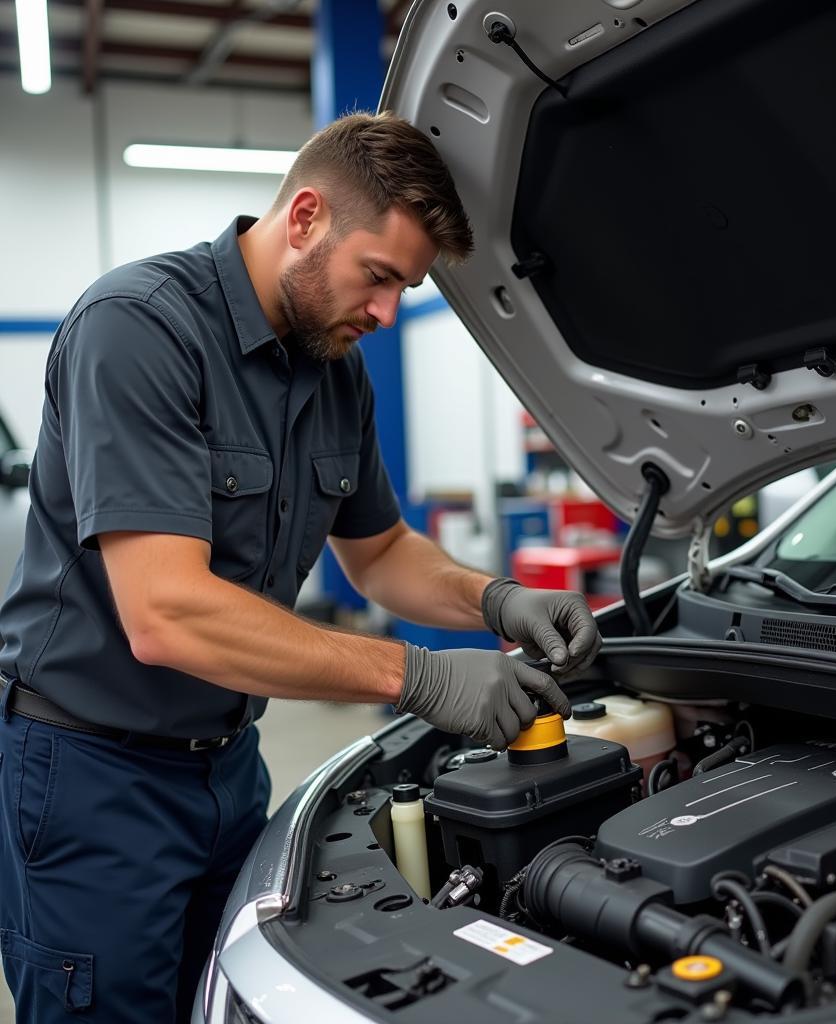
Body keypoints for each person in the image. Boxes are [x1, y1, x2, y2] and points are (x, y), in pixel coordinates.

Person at [0, 111, 600, 1023]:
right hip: (92, 777)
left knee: (226, 1003)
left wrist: (498, 598)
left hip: (229, 772)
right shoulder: (139, 331)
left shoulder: (336, 371)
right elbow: (165, 613)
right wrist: (420, 676)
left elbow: (383, 553)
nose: (389, 313)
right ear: (308, 215)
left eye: (406, 289)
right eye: (381, 278)